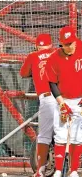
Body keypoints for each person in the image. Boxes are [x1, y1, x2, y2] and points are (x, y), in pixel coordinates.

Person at [45, 26, 82, 177]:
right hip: (63, 99)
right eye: (64, 44)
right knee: (60, 135)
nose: (68, 47)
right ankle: (58, 170)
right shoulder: (54, 57)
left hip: (79, 100)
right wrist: (61, 103)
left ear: (75, 40)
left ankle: (73, 170)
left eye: (70, 43)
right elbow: (52, 82)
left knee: (77, 136)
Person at [20, 34, 57, 177]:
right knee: (65, 134)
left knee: (44, 136)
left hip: (47, 99)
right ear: (51, 45)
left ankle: (40, 171)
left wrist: (34, 72)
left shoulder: (33, 56)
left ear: (37, 45)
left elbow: (23, 73)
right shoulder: (58, 54)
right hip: (65, 96)